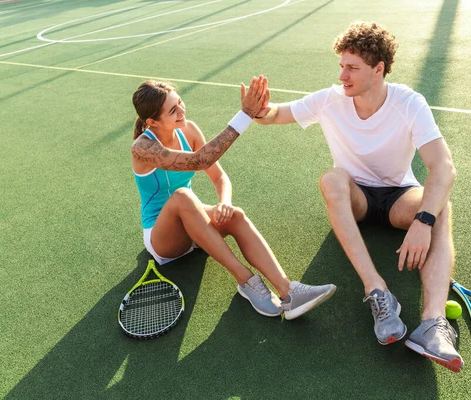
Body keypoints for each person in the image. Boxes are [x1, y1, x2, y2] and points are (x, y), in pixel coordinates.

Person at [254, 22, 463, 371]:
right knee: (332, 178)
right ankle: (378, 292)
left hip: (399, 196)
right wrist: (259, 109)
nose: (342, 75)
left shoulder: (409, 102)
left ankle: (432, 324)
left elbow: (444, 167)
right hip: (357, 198)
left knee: (440, 205)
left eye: (352, 67)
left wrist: (424, 220)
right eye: (341, 65)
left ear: (378, 69)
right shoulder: (329, 100)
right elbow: (276, 115)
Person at [130, 76, 336, 320]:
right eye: (173, 110)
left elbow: (219, 177)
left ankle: (288, 291)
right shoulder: (142, 148)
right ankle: (246, 281)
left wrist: (224, 202)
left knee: (235, 215)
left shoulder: (189, 129)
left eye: (180, 102)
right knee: (183, 195)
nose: (182, 110)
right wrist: (245, 115)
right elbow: (200, 160)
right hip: (162, 239)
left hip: (193, 224)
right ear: (152, 121)